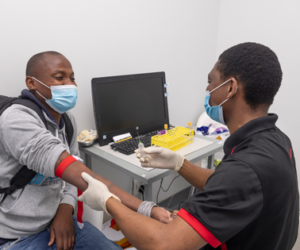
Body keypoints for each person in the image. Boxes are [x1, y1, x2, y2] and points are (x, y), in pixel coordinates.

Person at [78, 42, 299, 250]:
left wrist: (108, 202)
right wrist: (179, 163)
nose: (208, 88)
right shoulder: (277, 140)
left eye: (211, 81)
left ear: (230, 88)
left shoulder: (244, 168)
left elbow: (163, 244)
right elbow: (226, 184)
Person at [0, 51, 171, 250]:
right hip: (17, 235)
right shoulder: (17, 120)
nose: (70, 85)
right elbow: (81, 175)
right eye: (59, 78)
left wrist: (65, 209)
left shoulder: (67, 121)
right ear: (32, 83)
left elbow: (73, 176)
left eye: (72, 78)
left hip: (57, 219)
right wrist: (147, 209)